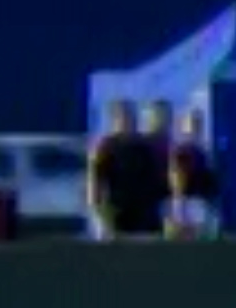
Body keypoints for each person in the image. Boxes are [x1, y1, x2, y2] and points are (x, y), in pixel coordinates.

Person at [88, 100, 166, 239]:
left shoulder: (145, 146)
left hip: (146, 218)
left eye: (132, 115)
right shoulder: (105, 147)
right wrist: (100, 213)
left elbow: (157, 180)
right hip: (117, 216)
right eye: (125, 116)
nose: (130, 120)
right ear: (114, 119)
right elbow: (95, 182)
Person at [165, 108, 221, 240]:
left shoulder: (204, 151)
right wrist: (179, 204)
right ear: (183, 127)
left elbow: (210, 180)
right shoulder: (180, 151)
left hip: (201, 203)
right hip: (186, 203)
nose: (194, 128)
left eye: (197, 124)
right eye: (191, 124)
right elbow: (176, 179)